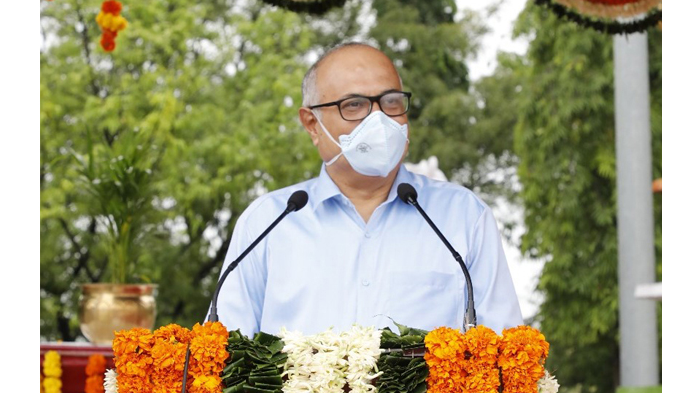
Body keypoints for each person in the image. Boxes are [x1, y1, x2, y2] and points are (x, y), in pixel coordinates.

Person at [208, 42, 522, 336]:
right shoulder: (267, 223)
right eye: (354, 105)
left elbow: (505, 352)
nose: (379, 119)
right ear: (312, 125)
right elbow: (227, 357)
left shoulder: (463, 216)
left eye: (391, 102)